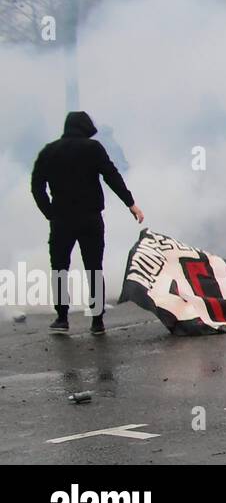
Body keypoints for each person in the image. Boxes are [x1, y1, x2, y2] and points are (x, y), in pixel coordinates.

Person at [31, 111, 145, 336]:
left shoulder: (49, 151)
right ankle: (97, 321)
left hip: (62, 220)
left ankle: (62, 318)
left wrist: (49, 212)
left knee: (60, 268)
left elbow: (36, 186)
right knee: (94, 267)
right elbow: (111, 175)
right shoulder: (93, 148)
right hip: (90, 218)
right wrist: (130, 203)